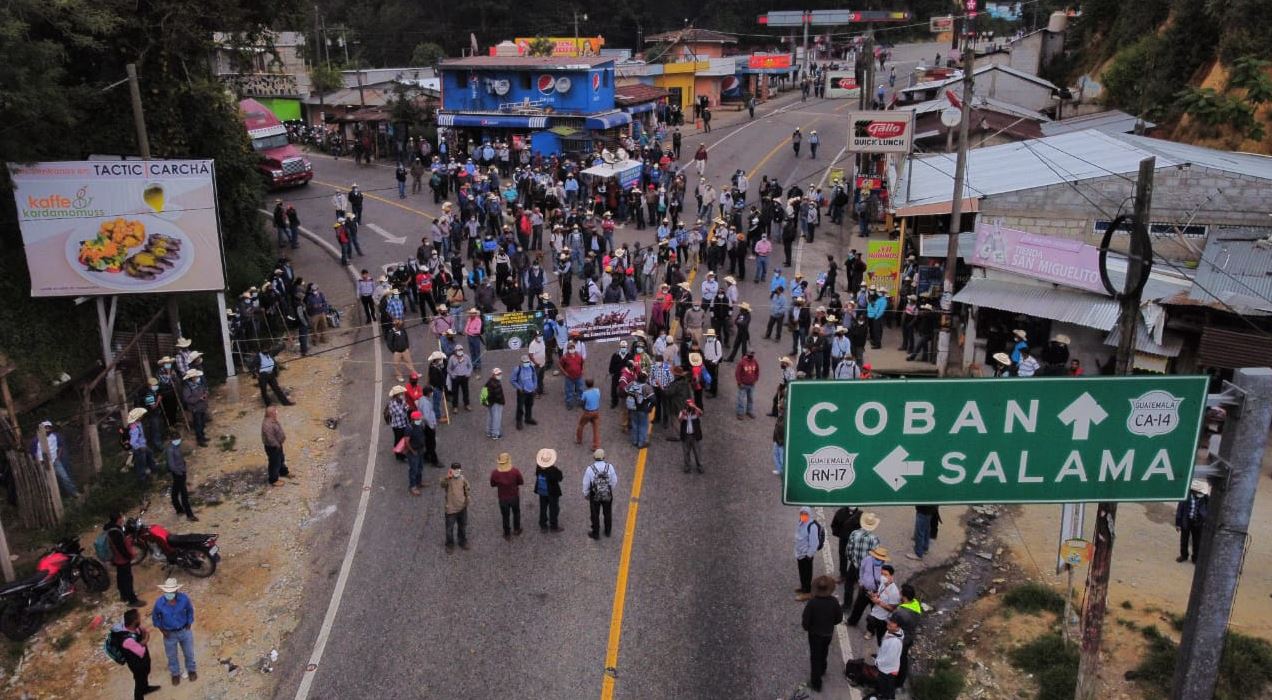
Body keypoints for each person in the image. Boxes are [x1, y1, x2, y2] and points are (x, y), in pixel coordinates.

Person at [801, 575, 843, 693]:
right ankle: (823, 668)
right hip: (828, 633)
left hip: (815, 634)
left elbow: (806, 621)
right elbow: (839, 618)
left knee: (815, 657)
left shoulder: (812, 603)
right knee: (824, 650)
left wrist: (808, 628)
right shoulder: (834, 602)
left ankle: (816, 683)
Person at [151, 578, 196, 686]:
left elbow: (190, 610)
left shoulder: (184, 599)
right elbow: (155, 617)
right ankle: (175, 674)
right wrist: (162, 630)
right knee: (171, 656)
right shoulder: (159, 603)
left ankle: (191, 670)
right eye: (167, 592)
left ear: (176, 591)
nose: (169, 594)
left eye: (171, 592)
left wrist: (189, 623)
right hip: (169, 634)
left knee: (189, 652)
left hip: (184, 630)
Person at [113, 607, 159, 699]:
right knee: (139, 682)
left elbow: (142, 632)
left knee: (145, 675)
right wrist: (146, 638)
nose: (140, 619)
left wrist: (143, 641)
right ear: (134, 621)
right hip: (137, 664)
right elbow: (141, 651)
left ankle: (146, 688)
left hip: (142, 660)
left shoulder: (132, 627)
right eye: (138, 618)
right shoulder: (127, 640)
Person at [105, 511, 145, 607]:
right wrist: (129, 556)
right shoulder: (115, 532)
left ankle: (123, 596)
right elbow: (120, 547)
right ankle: (133, 600)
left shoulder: (110, 528)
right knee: (127, 579)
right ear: (118, 519)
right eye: (121, 517)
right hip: (121, 559)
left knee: (121, 577)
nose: (123, 518)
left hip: (116, 559)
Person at [844, 513, 881, 612]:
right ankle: (869, 608)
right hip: (867, 568)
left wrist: (852, 559)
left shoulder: (854, 533)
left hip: (854, 564)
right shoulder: (874, 539)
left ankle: (847, 605)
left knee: (849, 584)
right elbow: (876, 556)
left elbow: (849, 550)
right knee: (865, 588)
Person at [31, 420, 78, 498]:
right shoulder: (35, 440)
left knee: (64, 477)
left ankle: (74, 493)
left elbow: (60, 447)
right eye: (45, 427)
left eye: (48, 427)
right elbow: (34, 453)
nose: (47, 429)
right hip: (42, 463)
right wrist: (38, 463)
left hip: (54, 461)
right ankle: (51, 498)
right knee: (46, 481)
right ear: (41, 429)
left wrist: (58, 457)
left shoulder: (56, 436)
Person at [582, 450, 618, 540]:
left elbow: (586, 483)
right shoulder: (609, 467)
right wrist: (609, 489)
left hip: (595, 495)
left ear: (594, 457)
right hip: (607, 494)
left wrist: (586, 494)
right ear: (604, 457)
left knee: (595, 514)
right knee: (607, 513)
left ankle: (596, 533)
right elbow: (614, 480)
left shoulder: (590, 469)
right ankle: (608, 531)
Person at [891, 585, 922, 686]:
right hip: (910, 637)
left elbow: (892, 626)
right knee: (903, 658)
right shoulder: (916, 604)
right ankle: (901, 680)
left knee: (897, 659)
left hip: (901, 639)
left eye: (901, 593)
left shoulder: (900, 612)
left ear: (904, 597)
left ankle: (895, 680)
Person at [490, 452, 524, 539]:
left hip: (503, 498)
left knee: (505, 516)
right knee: (516, 513)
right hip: (514, 496)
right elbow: (520, 481)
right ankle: (516, 529)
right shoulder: (515, 471)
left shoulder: (495, 473)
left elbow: (493, 484)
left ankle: (507, 533)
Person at [866, 561, 901, 646]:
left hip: (883, 618)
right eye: (882, 574)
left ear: (891, 576)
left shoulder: (894, 592)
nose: (883, 576)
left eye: (885, 575)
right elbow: (879, 593)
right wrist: (874, 595)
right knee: (870, 620)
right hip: (875, 611)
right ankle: (870, 631)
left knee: (880, 637)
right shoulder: (883, 583)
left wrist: (879, 602)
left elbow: (892, 609)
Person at [1176, 478, 1210, 563]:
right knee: (1184, 540)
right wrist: (1178, 524)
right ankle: (1184, 555)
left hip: (1198, 522)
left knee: (1197, 541)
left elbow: (1209, 510)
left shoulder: (1206, 498)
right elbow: (1180, 510)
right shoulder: (1185, 496)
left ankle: (1195, 558)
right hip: (1186, 521)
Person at [165, 432, 196, 521]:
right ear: (172, 440)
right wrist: (180, 473)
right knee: (184, 495)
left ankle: (179, 509)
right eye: (176, 439)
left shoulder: (176, 446)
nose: (178, 441)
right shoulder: (170, 450)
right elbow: (171, 466)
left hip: (181, 471)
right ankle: (190, 515)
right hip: (178, 473)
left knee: (175, 492)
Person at [441, 463, 471, 552]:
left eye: (458, 470)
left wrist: (467, 499)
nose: (457, 472)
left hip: (462, 508)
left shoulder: (463, 478)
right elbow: (442, 484)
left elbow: (467, 489)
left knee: (462, 526)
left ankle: (462, 541)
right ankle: (449, 544)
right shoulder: (448, 480)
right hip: (451, 509)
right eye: (455, 470)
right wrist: (447, 477)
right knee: (449, 529)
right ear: (451, 470)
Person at [794, 507, 821, 601]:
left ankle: (807, 592)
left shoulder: (812, 526)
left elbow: (814, 543)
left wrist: (809, 555)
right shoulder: (801, 521)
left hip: (806, 555)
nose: (803, 515)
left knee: (807, 573)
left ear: (809, 514)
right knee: (802, 571)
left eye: (805, 514)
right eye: (801, 513)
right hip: (800, 553)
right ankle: (803, 587)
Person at [874, 616, 905, 699]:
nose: (888, 626)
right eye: (889, 624)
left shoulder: (895, 642)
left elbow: (889, 658)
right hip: (888, 668)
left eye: (891, 625)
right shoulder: (893, 632)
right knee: (886, 687)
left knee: (886, 689)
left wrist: (878, 662)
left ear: (898, 627)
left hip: (887, 670)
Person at [831, 506, 863, 584]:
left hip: (855, 540)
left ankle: (854, 577)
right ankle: (843, 575)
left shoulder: (861, 515)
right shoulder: (840, 512)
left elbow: (863, 528)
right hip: (844, 539)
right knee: (843, 556)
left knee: (855, 558)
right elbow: (834, 525)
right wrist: (841, 534)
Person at [534, 448, 564, 532]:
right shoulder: (553, 470)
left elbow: (536, 474)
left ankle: (543, 525)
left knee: (543, 508)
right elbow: (560, 478)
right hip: (552, 492)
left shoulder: (538, 468)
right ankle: (553, 526)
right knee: (554, 509)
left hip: (542, 492)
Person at [261, 405, 289, 486]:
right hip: (273, 447)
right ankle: (273, 480)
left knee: (281, 459)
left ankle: (283, 472)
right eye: (275, 411)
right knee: (274, 463)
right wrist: (277, 445)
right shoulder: (267, 425)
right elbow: (270, 438)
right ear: (271, 413)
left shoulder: (273, 420)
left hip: (278, 445)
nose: (276, 412)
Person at [127, 407, 156, 483]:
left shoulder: (139, 424)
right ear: (138, 417)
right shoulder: (134, 428)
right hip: (139, 449)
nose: (142, 416)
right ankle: (142, 479)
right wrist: (139, 447)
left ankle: (153, 469)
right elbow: (133, 442)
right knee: (141, 463)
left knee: (150, 454)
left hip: (143, 446)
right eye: (141, 415)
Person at [510, 354, 538, 429]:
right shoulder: (517, 369)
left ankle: (528, 419)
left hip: (530, 391)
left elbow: (534, 378)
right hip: (522, 392)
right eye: (525, 362)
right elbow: (512, 380)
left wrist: (534, 387)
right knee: (520, 407)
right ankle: (519, 421)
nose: (527, 363)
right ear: (521, 362)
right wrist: (519, 388)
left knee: (529, 405)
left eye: (528, 361)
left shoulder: (531, 368)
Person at [678, 399, 704, 473]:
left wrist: (695, 407)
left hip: (695, 436)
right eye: (688, 406)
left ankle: (700, 466)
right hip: (686, 436)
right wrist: (683, 414)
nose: (689, 408)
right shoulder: (683, 412)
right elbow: (679, 420)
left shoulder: (696, 412)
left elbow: (701, 413)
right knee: (686, 452)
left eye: (690, 406)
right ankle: (687, 467)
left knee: (697, 452)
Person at [576, 378, 602, 451]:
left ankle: (579, 439)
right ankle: (596, 446)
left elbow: (582, 402)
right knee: (596, 429)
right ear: (593, 383)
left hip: (588, 412)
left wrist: (584, 408)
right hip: (596, 411)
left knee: (581, 425)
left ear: (586, 385)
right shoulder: (597, 391)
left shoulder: (585, 393)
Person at [734, 350, 759, 419]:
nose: (752, 355)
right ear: (747, 354)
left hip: (751, 385)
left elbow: (757, 371)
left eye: (753, 354)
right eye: (750, 353)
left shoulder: (755, 361)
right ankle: (740, 413)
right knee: (741, 399)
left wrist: (755, 380)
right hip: (743, 385)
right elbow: (737, 373)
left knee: (750, 399)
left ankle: (749, 411)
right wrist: (739, 382)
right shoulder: (742, 362)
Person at [483, 367, 505, 439]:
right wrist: (502, 402)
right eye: (498, 374)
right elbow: (498, 395)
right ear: (493, 375)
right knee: (496, 418)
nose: (499, 375)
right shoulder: (495, 383)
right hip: (496, 403)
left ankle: (489, 432)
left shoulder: (489, 382)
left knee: (490, 417)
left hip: (490, 403)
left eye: (500, 373)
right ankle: (495, 434)